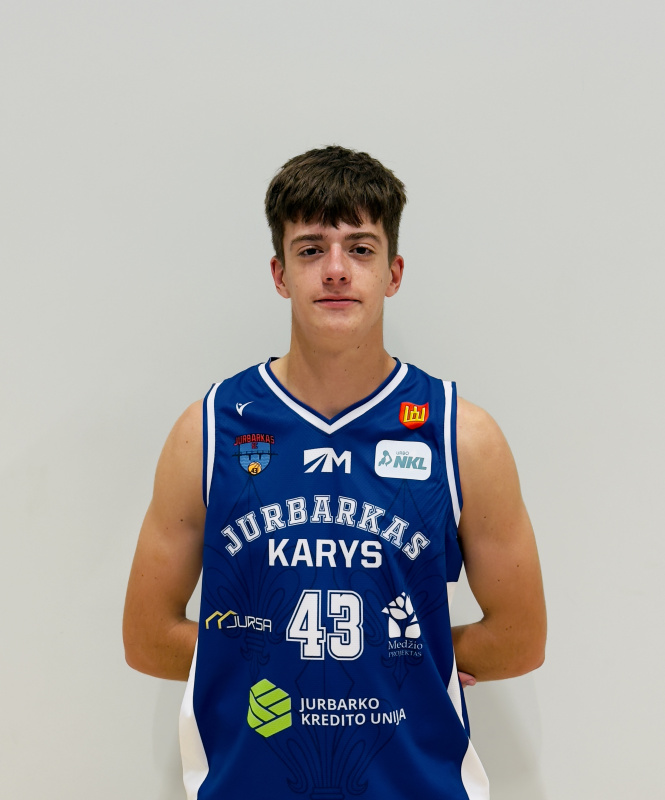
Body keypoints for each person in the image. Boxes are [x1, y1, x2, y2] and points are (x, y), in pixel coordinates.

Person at [123, 145, 546, 799]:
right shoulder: (207, 431)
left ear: (393, 272)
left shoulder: (461, 436)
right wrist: (281, 656)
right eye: (311, 249)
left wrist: (404, 657)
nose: (336, 270)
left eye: (360, 248)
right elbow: (146, 636)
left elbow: (519, 638)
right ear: (279, 273)